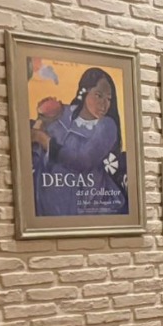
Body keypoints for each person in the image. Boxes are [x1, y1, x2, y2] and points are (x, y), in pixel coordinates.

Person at [30, 66, 129, 217]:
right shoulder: (62, 113)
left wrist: (44, 139)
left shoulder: (107, 126)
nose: (104, 104)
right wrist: (41, 119)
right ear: (84, 91)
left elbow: (83, 160)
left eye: (109, 99)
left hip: (89, 200)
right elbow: (35, 148)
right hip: (51, 199)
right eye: (98, 95)